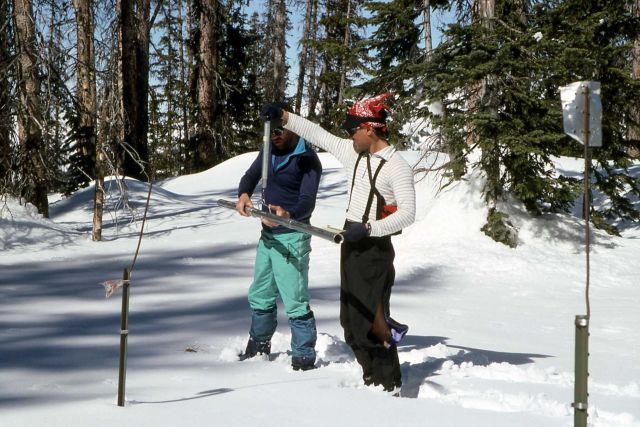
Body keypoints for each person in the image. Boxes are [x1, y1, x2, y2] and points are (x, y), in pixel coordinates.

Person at [260, 93, 416, 394]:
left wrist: (370, 228)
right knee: (351, 319)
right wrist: (284, 116)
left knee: (373, 321)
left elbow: (408, 214)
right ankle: (371, 376)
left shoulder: (397, 166)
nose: (348, 135)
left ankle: (388, 384)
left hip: (374, 248)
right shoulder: (353, 153)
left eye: (353, 130)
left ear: (369, 129)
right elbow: (318, 134)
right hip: (351, 240)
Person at [236, 104, 323, 371]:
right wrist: (244, 195)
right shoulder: (268, 151)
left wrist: (288, 213)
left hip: (292, 237)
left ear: (293, 127)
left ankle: (304, 356)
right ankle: (258, 345)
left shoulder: (307, 159)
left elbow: (307, 201)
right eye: (270, 131)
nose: (275, 135)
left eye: (280, 130)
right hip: (268, 236)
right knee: (261, 293)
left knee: (295, 298)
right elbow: (250, 177)